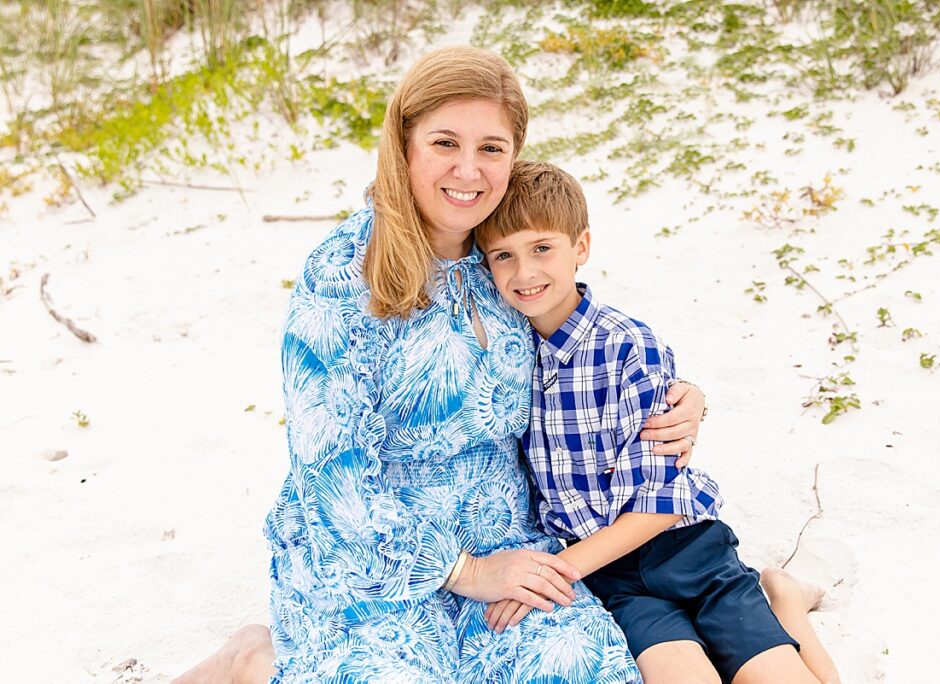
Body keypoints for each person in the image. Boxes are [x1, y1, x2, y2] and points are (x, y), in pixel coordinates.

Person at [173, 46, 706, 683]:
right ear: (404, 145)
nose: (468, 170)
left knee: (579, 668)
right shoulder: (343, 275)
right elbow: (330, 474)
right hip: (372, 558)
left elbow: (587, 346)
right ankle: (256, 658)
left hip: (509, 538)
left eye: (491, 148)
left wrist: (680, 394)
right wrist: (465, 572)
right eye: (445, 142)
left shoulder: (503, 257)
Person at [474, 161, 842, 684]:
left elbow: (661, 503)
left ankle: (785, 601)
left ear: (580, 247)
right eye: (503, 256)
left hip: (689, 551)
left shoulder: (628, 346)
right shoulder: (508, 351)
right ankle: (779, 604)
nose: (524, 272)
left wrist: (556, 572)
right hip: (614, 576)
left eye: (542, 248)